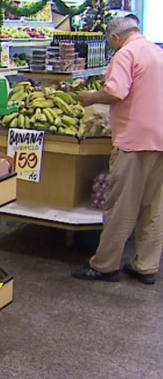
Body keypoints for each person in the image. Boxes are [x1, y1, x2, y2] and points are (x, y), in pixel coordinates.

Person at [72, 17, 163, 284]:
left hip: (135, 140)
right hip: (160, 138)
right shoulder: (157, 51)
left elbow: (116, 92)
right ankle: (146, 266)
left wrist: (91, 97)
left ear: (114, 38)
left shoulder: (126, 53)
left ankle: (105, 265)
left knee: (121, 204)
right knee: (154, 206)